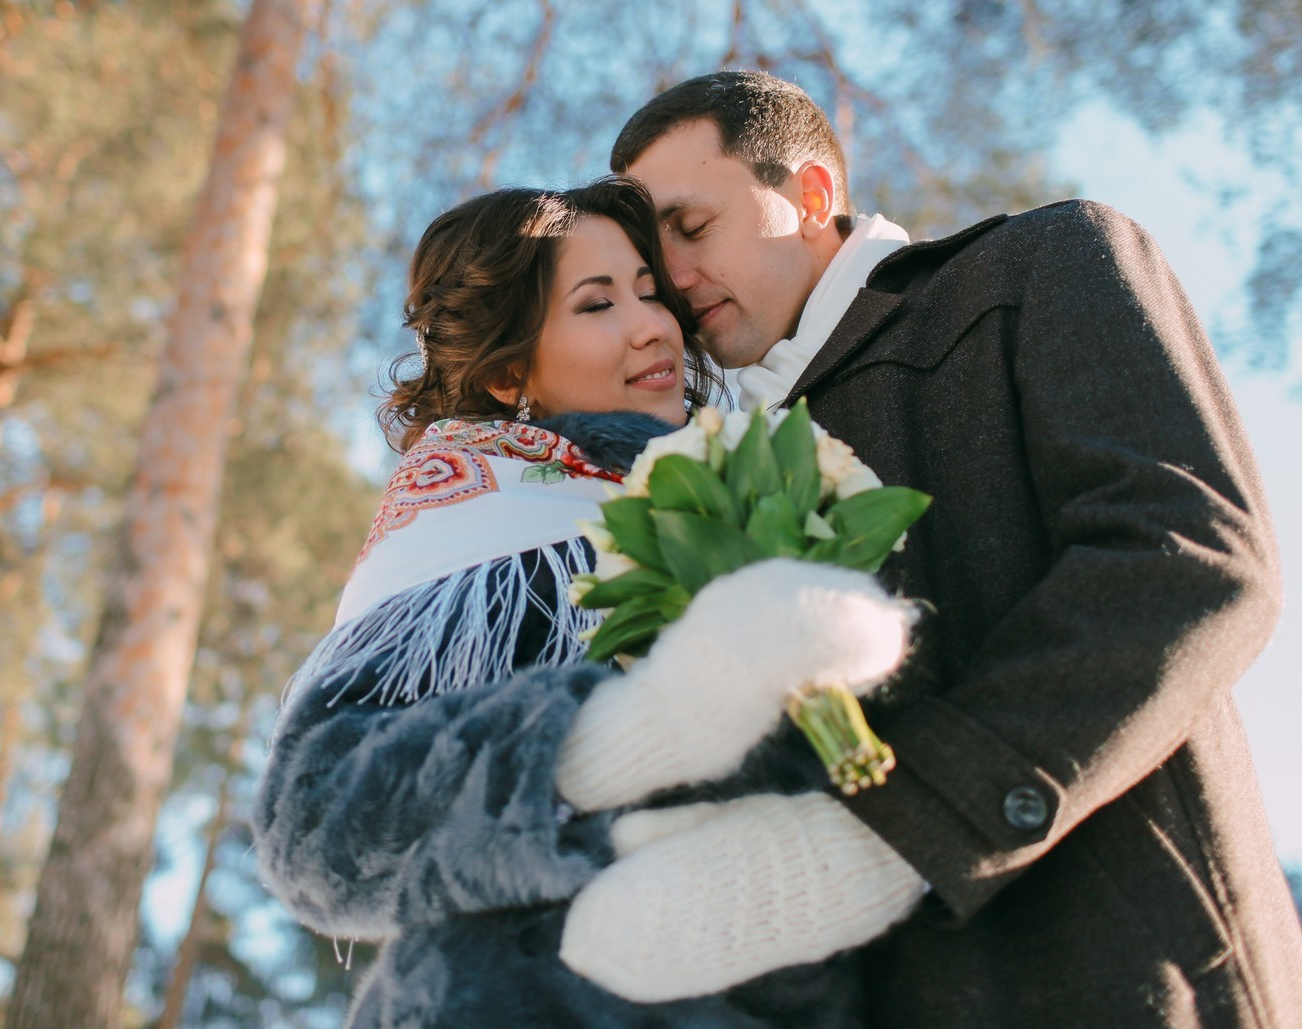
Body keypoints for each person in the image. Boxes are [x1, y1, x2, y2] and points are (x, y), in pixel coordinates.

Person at [568, 69, 1302, 1026]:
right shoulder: (699, 464)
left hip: (1131, 980)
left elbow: (1186, 561)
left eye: (692, 228)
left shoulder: (1039, 265)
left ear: (811, 197)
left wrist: (895, 833)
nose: (671, 283)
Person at [255, 177, 896, 1028]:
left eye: (648, 292)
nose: (653, 325)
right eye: (597, 305)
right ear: (509, 369)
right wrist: (626, 733)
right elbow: (321, 825)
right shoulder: (484, 539)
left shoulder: (759, 482)